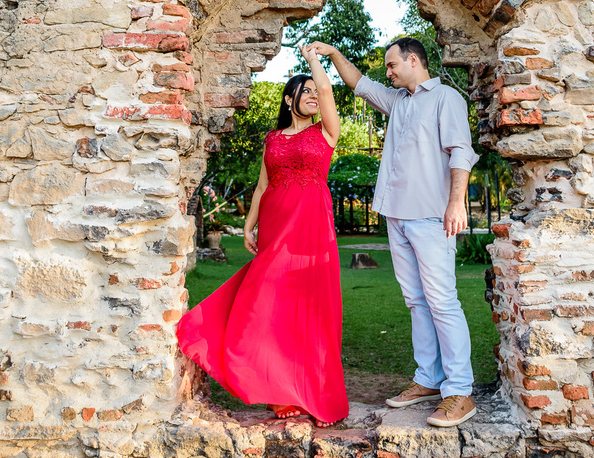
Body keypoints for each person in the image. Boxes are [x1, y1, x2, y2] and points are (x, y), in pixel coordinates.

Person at [310, 37, 479, 428]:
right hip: (397, 216)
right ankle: (428, 379)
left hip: (431, 216)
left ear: (414, 61)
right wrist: (334, 54)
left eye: (391, 65)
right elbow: (359, 84)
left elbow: (460, 151)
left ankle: (460, 390)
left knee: (442, 301)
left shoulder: (446, 99)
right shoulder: (398, 100)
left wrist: (456, 203)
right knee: (416, 302)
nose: (386, 73)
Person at [176, 44, 348, 428]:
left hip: (312, 227)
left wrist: (315, 62)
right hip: (275, 223)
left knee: (313, 310)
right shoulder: (272, 138)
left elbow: (326, 92)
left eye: (312, 93)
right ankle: (279, 389)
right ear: (288, 99)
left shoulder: (327, 133)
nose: (310, 97)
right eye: (302, 92)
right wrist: (250, 225)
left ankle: (314, 396)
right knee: (270, 303)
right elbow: (260, 187)